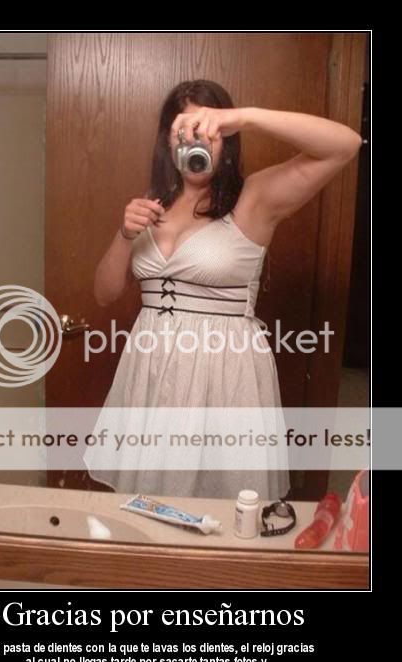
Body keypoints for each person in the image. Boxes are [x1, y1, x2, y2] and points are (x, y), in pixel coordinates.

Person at [84, 79, 362, 499]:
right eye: (183, 130)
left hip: (223, 373)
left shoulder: (253, 200)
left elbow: (345, 145)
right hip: (151, 371)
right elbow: (104, 293)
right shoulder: (152, 203)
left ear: (226, 140)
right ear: (167, 141)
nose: (196, 140)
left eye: (207, 130)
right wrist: (124, 235)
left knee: (225, 505)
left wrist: (244, 117)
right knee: (150, 505)